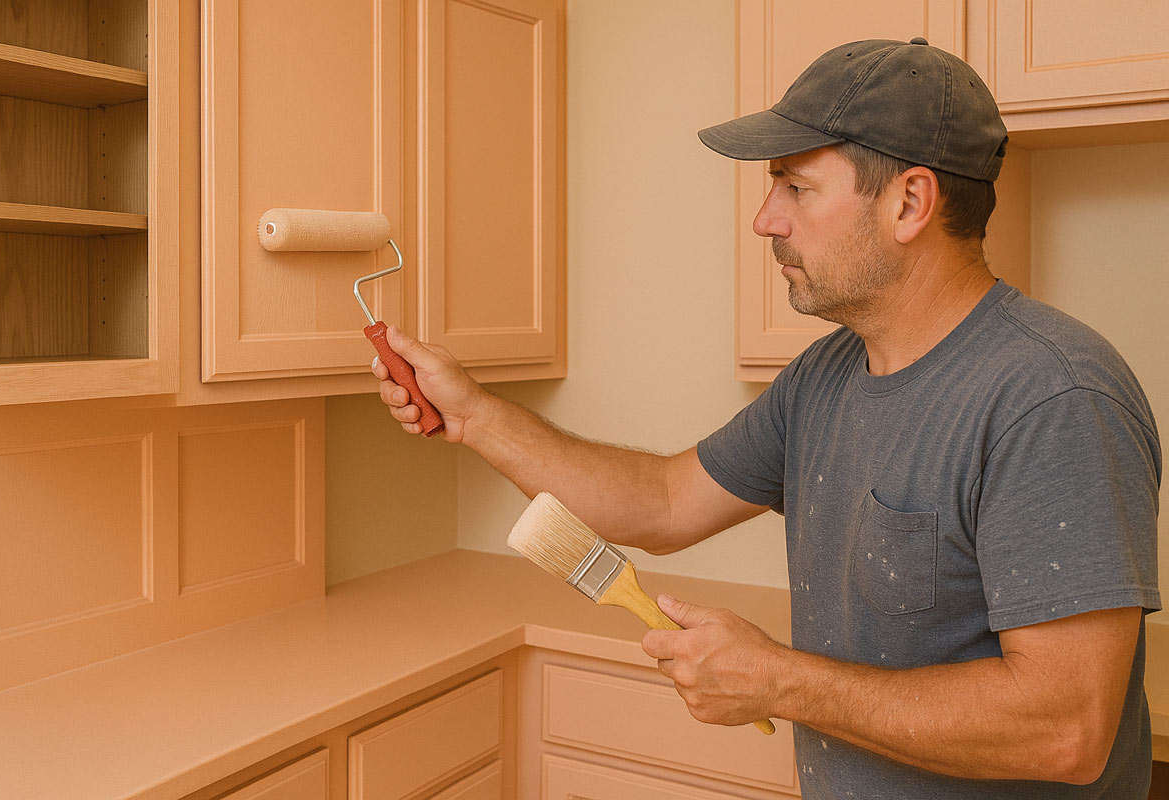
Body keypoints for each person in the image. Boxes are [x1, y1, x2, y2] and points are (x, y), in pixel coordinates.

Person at [373, 37, 1162, 799]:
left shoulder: (1052, 399)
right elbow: (663, 501)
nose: (765, 220)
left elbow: (1066, 731)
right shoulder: (825, 376)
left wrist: (781, 680)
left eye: (796, 187)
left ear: (911, 202)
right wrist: (476, 416)